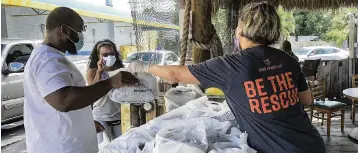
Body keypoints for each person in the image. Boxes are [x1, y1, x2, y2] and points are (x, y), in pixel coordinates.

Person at [127, 2, 325, 153]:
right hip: (313, 144)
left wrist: (144, 66)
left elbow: (175, 74)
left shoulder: (231, 65)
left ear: (242, 29)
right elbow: (306, 100)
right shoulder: (288, 59)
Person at [23, 7, 138, 153]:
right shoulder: (47, 60)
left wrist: (85, 122)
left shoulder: (55, 58)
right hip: (59, 148)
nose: (82, 35)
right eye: (79, 29)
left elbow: (69, 100)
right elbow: (64, 100)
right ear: (65, 30)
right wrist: (110, 82)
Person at [87, 39, 123, 143]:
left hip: (119, 114)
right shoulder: (93, 71)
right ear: (98, 56)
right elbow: (91, 92)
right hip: (101, 116)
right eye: (105, 54)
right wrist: (99, 71)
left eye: (112, 54)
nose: (109, 57)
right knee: (103, 147)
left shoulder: (120, 70)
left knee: (120, 146)